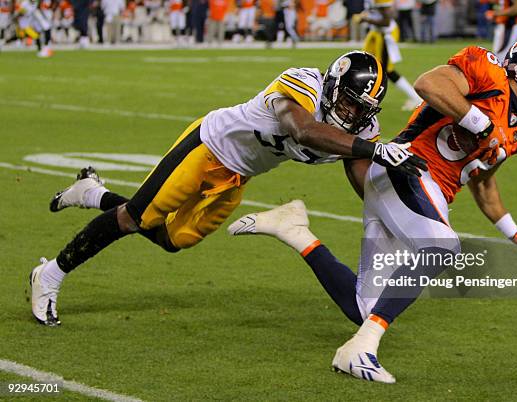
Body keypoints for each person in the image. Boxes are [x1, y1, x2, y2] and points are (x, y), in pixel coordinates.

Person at [228, 36, 517, 383]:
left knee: (365, 307)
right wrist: (478, 122)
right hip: (405, 168)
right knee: (442, 247)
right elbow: (429, 83)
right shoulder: (487, 71)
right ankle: (360, 349)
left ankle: (294, 231)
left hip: (428, 193)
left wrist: (514, 231)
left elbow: (482, 180)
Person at [30, 51, 425, 327]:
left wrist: (390, 216)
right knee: (136, 217)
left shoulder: (360, 131)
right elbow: (302, 130)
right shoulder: (302, 83)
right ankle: (49, 275)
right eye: (350, 104)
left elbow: (358, 171)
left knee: (174, 239)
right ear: (333, 85)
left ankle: (93, 193)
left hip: (238, 176)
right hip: (208, 147)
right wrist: (376, 149)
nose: (353, 115)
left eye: (362, 110)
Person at [357, 0, 423, 111]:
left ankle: (415, 97)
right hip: (377, 33)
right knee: (367, 62)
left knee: (387, 70)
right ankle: (364, 95)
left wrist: (367, 19)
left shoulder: (383, 3)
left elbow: (386, 21)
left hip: (386, 34)